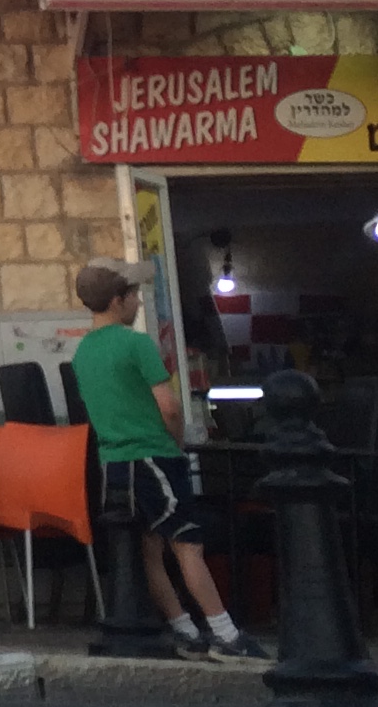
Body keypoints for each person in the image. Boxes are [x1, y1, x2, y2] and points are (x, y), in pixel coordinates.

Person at [70, 257, 265, 659]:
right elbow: (170, 407)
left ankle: (185, 630)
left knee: (149, 551)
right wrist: (176, 446)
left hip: (114, 463)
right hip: (154, 455)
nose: (139, 302)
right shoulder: (137, 344)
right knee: (187, 546)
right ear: (118, 300)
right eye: (134, 294)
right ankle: (226, 635)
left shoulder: (83, 353)